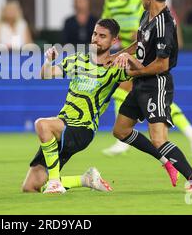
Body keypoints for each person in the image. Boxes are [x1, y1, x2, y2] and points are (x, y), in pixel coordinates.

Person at [22, 19, 178, 194]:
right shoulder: (78, 60)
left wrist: (129, 57)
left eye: (102, 36)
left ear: (113, 41)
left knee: (42, 125)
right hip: (63, 125)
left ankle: (54, 182)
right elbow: (45, 75)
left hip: (82, 128)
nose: (96, 39)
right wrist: (49, 61)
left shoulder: (115, 68)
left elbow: (143, 70)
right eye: (95, 34)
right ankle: (85, 179)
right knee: (30, 187)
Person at [111, 0, 192, 192]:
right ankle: (166, 161)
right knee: (121, 130)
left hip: (156, 84)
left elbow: (162, 65)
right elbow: (138, 45)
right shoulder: (146, 17)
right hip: (140, 84)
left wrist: (133, 72)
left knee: (159, 139)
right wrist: (115, 55)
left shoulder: (165, 23)